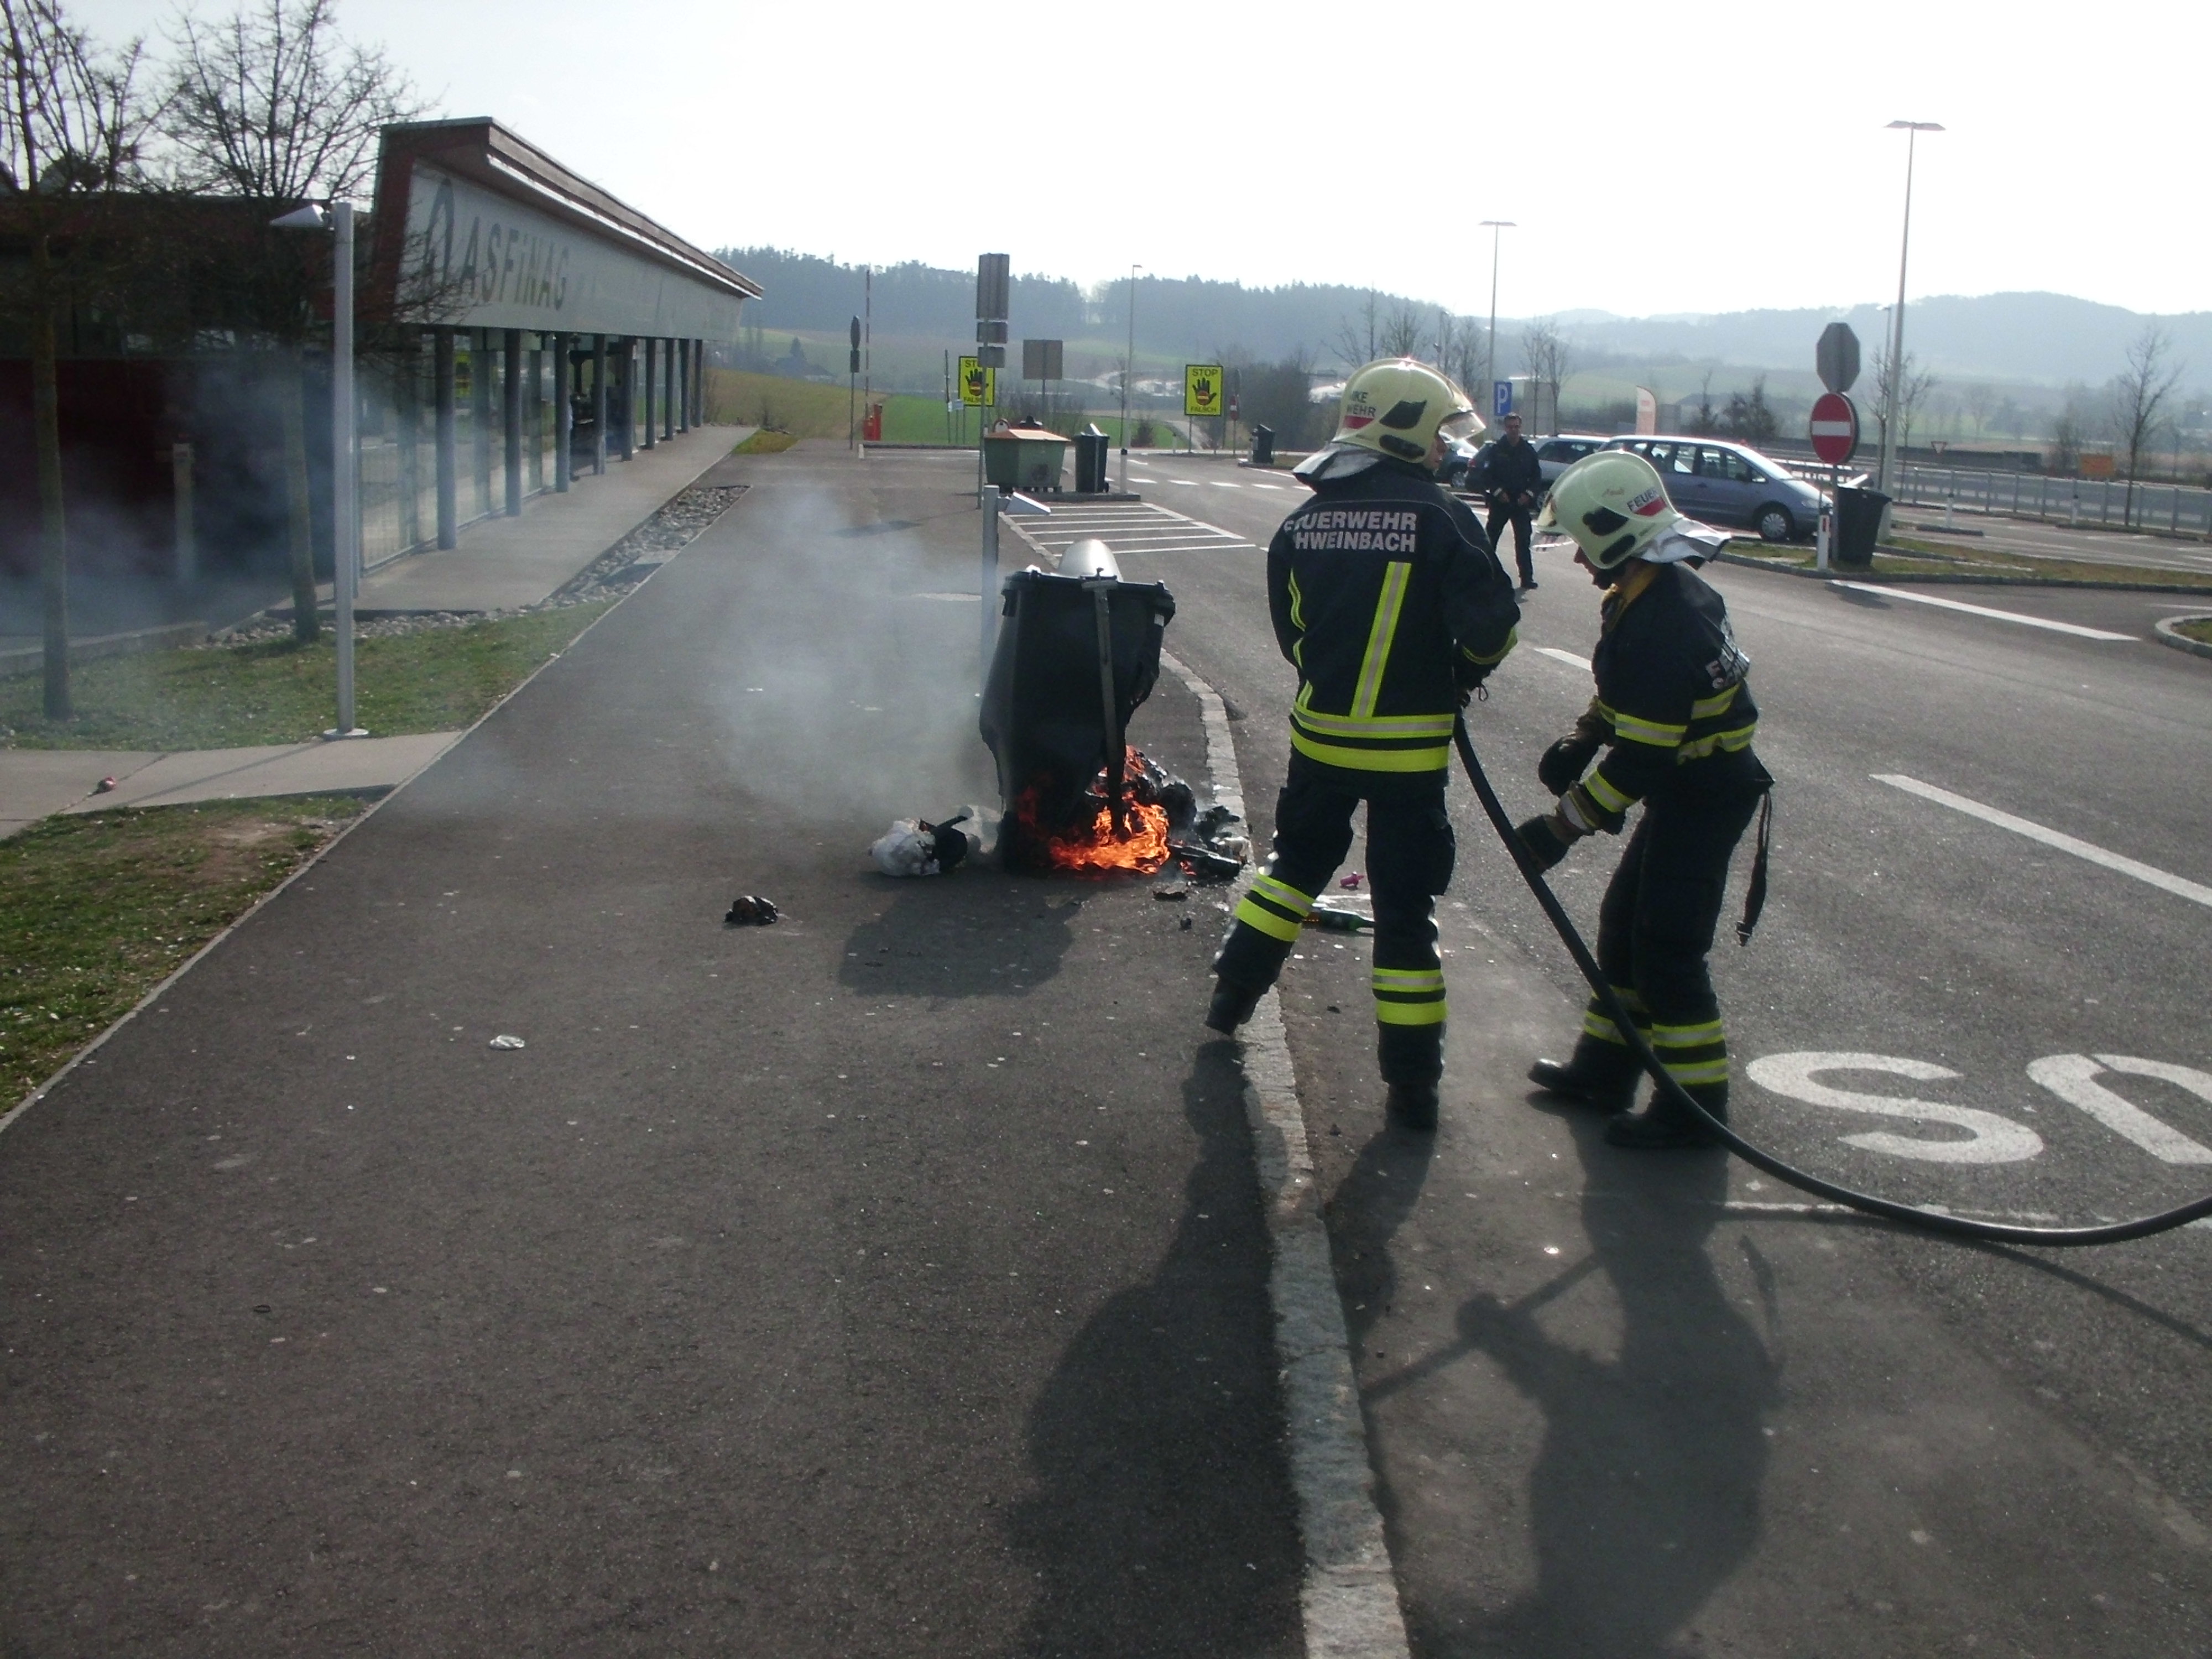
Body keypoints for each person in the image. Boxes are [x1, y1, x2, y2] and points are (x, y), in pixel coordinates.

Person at [1204, 358, 1521, 1131]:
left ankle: (1231, 1000)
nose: (1448, 450)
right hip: (1411, 754)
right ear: (1406, 430)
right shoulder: (1445, 519)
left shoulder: (1303, 521)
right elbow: (1494, 629)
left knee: (1292, 872)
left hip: (1321, 738)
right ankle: (1413, 1090)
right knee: (1406, 911)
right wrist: (1457, 675)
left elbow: (1292, 636)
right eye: (1440, 434)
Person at [1514, 450, 1771, 1149]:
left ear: (1611, 531)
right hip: (1688, 784)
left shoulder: (1663, 619)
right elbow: (1626, 699)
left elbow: (1645, 757)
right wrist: (1583, 735)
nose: (1574, 560)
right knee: (1624, 927)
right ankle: (1604, 1070)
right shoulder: (1651, 593)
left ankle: (1694, 1111)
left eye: (1579, 542)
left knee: (1667, 946)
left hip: (1704, 791)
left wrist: (1558, 829)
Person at [1479, 411, 1544, 591]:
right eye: (1510, 427)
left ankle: (1527, 579)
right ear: (1505, 428)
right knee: (1490, 540)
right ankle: (1484, 575)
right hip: (1500, 502)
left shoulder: (1528, 451)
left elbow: (1537, 477)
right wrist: (1499, 493)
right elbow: (1487, 475)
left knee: (1523, 542)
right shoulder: (1497, 450)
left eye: (1516, 427)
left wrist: (1529, 494)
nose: (1514, 430)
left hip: (1520, 503)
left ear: (1520, 427)